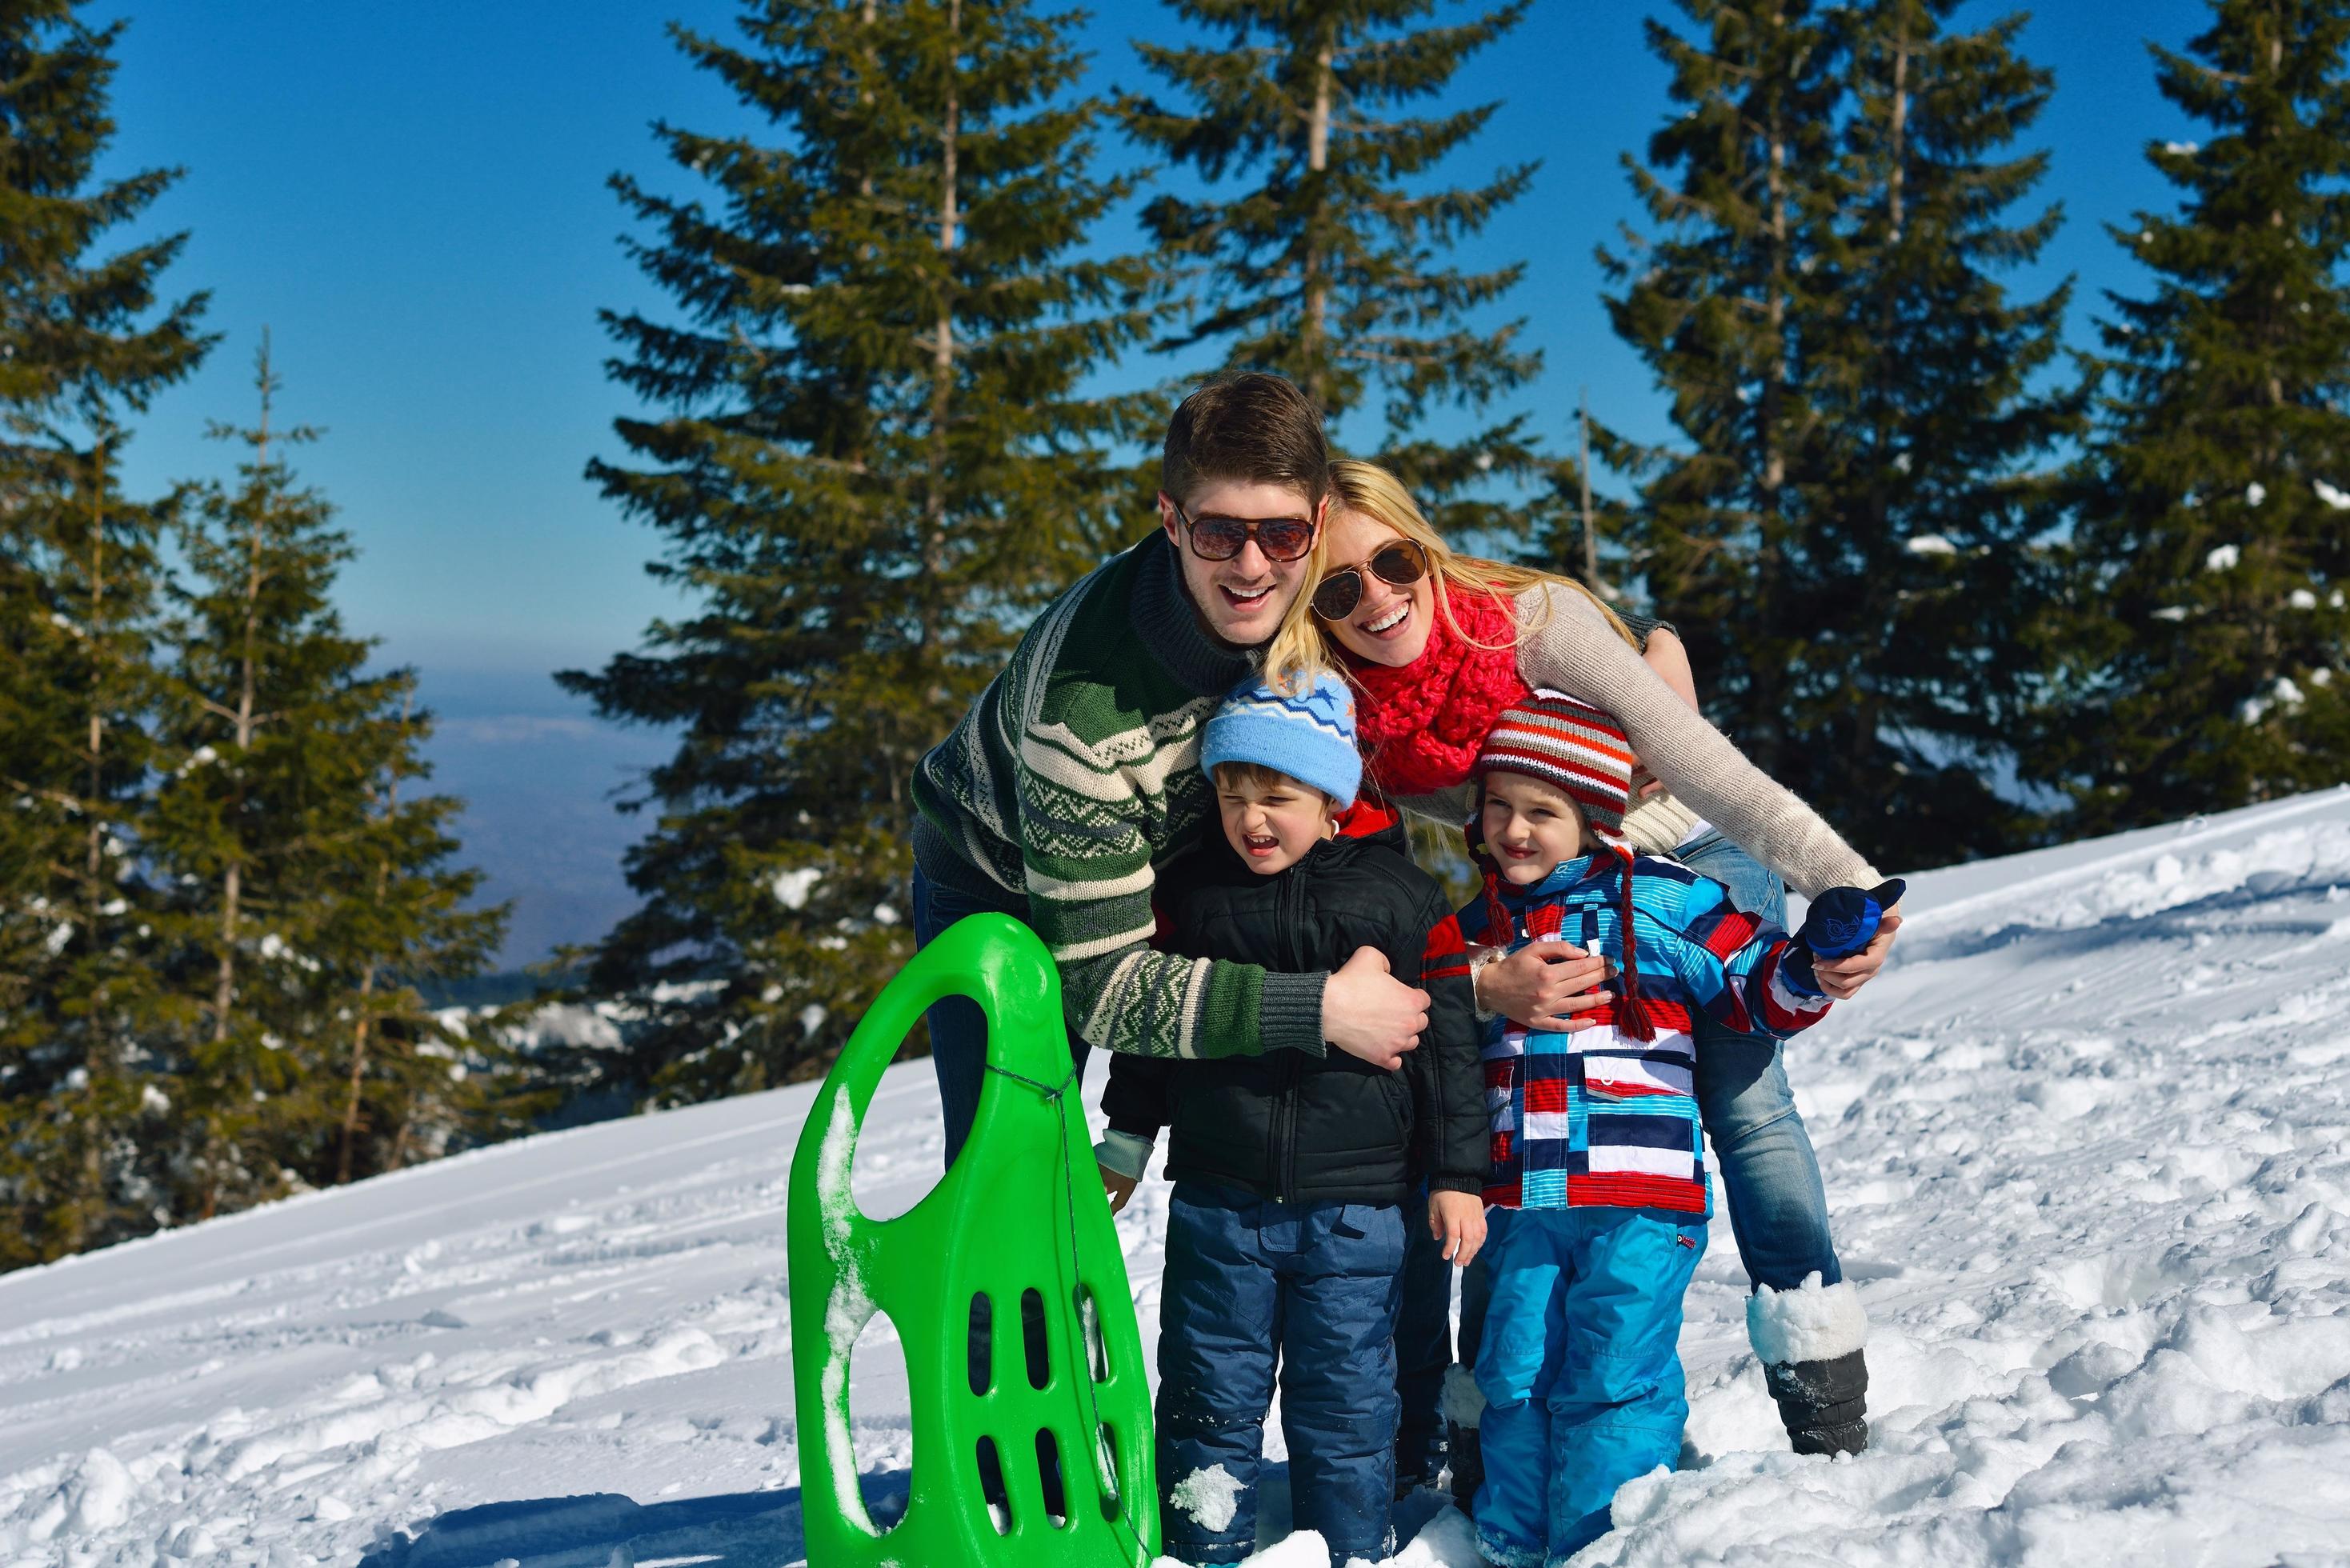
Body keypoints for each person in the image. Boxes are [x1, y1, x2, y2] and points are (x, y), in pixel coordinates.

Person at [1271, 461, 1892, 1473]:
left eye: (1393, 563)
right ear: (1317, 611)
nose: (1377, 598)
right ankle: (1499, 1425)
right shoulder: (1350, 714)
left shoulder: (1532, 621)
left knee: (1742, 1104)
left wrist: (1844, 884)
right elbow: (1361, 883)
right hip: (1541, 892)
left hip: (1688, 853)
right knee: (1521, 1126)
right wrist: (1474, 977)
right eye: (1340, 589)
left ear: (1424, 550)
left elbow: (1700, 761)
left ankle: (1823, 1404)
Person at [907, 374, 1431, 1173]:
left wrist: (1649, 645)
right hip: (1000, 880)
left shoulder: (1328, 582)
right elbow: (1105, 988)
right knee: (1012, 1167)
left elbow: (1478, 629)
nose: (1253, 566)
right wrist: (1316, 1006)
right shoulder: (1082, 713)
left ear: (1318, 522)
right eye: (1219, 532)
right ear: (1171, 519)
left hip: (1179, 843)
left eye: (1282, 535)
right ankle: (999, 1298)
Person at [1433, 692, 1897, 1565]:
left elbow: (1760, 989)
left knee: (1613, 1376)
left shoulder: (1667, 902)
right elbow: (1429, 1020)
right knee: (1514, 1372)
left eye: (1543, 812)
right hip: (1520, 1205)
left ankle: (1596, 1541)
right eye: (1500, 805)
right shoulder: (1476, 933)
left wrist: (1816, 961)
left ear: (1597, 818)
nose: (1515, 830)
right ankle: (1507, 1542)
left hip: (1637, 1201)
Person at [1091, 673, 1487, 1567]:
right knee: (1206, 1388)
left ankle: (1350, 1548)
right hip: (1219, 1202)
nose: (1252, 818)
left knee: (1346, 1397)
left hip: (1357, 1208)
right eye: (1234, 794)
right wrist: (1126, 1136)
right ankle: (1202, 1547)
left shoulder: (1400, 897)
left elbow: (1449, 1052)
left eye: (1278, 797)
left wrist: (1459, 1175)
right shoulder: (1191, 896)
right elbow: (1158, 1036)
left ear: (1334, 802)